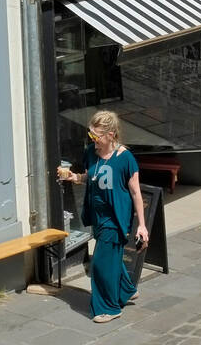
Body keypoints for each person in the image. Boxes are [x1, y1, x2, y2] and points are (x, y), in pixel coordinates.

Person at [57, 110, 148, 323]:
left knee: (99, 263)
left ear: (111, 135)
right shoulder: (90, 153)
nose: (93, 141)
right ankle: (126, 291)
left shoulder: (125, 159)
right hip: (97, 215)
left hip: (115, 218)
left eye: (96, 137)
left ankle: (108, 307)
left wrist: (142, 226)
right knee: (111, 258)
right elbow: (92, 177)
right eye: (90, 135)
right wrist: (75, 177)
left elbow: (136, 192)